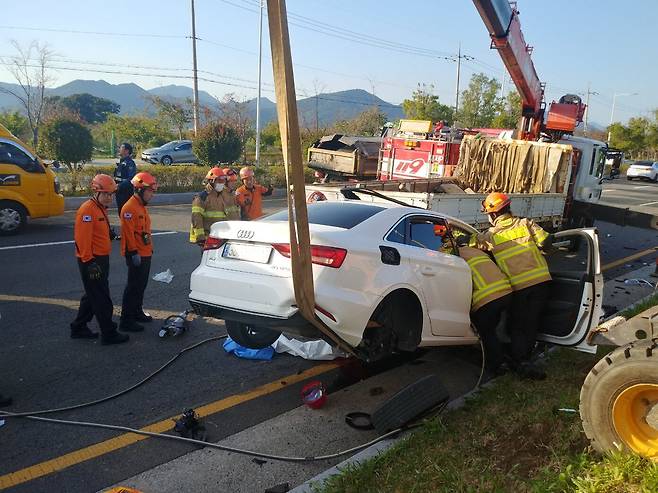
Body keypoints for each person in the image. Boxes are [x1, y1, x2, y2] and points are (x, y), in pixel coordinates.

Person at [469, 192, 553, 380]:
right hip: (542, 283)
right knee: (531, 323)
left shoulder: (491, 236)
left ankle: (519, 362)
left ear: (492, 215)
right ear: (508, 208)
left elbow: (472, 242)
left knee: (517, 326)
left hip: (519, 287)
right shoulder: (526, 224)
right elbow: (547, 242)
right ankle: (524, 358)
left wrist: (458, 238)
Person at [441, 228, 512, 375]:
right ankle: (508, 356)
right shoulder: (474, 250)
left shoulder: (448, 253)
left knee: (487, 333)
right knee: (497, 328)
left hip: (487, 297)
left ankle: (496, 367)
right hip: (506, 292)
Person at [71, 174, 129, 345]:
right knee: (102, 298)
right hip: (92, 261)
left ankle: (78, 327)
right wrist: (90, 263)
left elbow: (97, 230)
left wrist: (109, 234)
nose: (109, 198)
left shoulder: (99, 208)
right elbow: (82, 240)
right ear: (96, 192)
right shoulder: (87, 210)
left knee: (91, 296)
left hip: (100, 259)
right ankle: (109, 333)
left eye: (111, 194)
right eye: (106, 194)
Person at [119, 172, 157, 332]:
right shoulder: (129, 208)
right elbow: (128, 234)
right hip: (136, 254)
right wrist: (133, 253)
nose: (152, 195)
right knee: (133, 287)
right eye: (150, 191)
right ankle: (126, 320)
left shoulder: (140, 206)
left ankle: (137, 311)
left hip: (145, 252)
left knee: (141, 285)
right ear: (140, 190)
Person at [190, 168, 236, 246]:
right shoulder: (201, 198)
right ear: (211, 181)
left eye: (223, 180)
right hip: (208, 239)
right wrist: (201, 238)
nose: (222, 183)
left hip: (222, 237)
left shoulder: (222, 195)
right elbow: (196, 218)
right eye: (219, 181)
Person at [114, 143, 137, 216]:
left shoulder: (130, 163)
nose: (119, 149)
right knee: (121, 212)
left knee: (126, 213)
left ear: (127, 151)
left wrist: (119, 185)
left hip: (126, 192)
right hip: (119, 191)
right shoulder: (121, 162)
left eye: (121, 148)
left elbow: (131, 178)